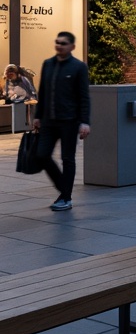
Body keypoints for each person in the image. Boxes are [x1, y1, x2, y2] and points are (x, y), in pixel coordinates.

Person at [32, 31, 90, 212]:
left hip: (69, 121)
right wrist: (37, 116)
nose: (59, 45)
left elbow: (84, 97)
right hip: (49, 121)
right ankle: (64, 189)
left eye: (63, 43)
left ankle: (66, 197)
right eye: (57, 42)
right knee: (41, 155)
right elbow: (42, 92)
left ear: (72, 46)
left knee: (67, 159)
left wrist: (84, 122)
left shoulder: (79, 67)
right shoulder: (48, 64)